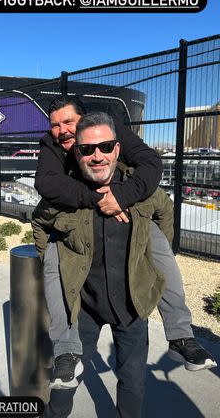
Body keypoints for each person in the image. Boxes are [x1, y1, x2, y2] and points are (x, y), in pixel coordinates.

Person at [33, 96, 216, 389]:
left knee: (156, 248)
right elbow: (45, 187)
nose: (62, 130)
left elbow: (152, 166)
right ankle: (65, 352)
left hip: (126, 205)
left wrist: (123, 196)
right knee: (54, 268)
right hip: (76, 221)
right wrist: (100, 200)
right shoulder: (52, 146)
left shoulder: (113, 131)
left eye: (68, 122)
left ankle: (181, 335)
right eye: (55, 125)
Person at [32, 111, 176, 417]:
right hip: (83, 307)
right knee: (65, 380)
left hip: (132, 306)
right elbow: (40, 221)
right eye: (86, 149)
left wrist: (151, 260)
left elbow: (164, 210)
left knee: (133, 381)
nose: (97, 155)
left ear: (117, 146)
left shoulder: (139, 188)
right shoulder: (64, 189)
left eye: (106, 147)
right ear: (77, 150)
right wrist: (55, 265)